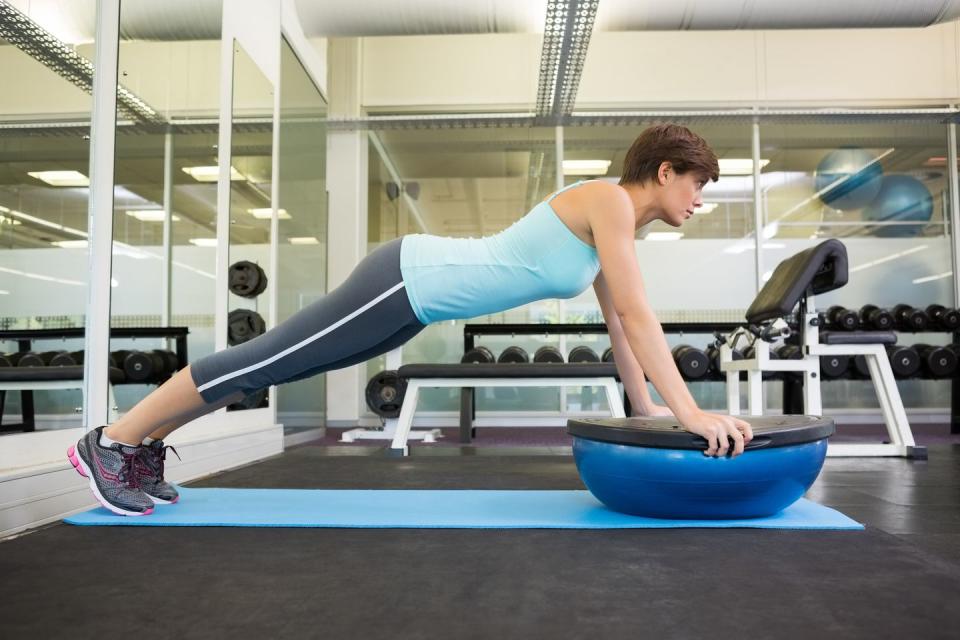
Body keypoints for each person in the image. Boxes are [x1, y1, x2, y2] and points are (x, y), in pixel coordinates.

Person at [67, 123, 754, 516]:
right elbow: (639, 315)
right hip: (405, 277)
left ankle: (141, 449)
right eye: (698, 186)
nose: (699, 201)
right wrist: (691, 414)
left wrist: (648, 416)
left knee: (287, 362)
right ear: (666, 172)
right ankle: (111, 441)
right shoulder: (607, 199)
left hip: (413, 307)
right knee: (267, 359)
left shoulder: (615, 230)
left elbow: (620, 328)